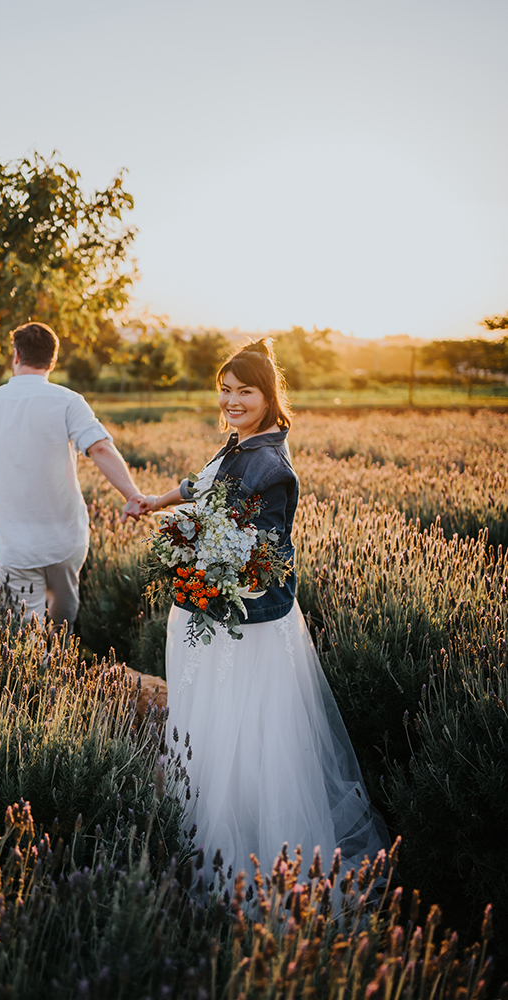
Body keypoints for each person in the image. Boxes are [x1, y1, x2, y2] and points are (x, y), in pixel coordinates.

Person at [139, 339, 388, 884]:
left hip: (241, 623)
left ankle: (242, 846)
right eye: (225, 390)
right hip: (213, 605)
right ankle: (205, 825)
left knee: (239, 725)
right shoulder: (242, 443)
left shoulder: (269, 464)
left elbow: (263, 551)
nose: (231, 400)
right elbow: (203, 484)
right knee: (211, 718)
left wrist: (198, 552)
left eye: (244, 391)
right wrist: (163, 504)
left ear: (268, 395)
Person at [0, 322, 144, 628]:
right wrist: (132, 494)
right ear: (53, 361)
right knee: (63, 615)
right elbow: (99, 448)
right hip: (65, 539)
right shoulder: (68, 401)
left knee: (26, 630)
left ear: (15, 356)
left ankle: (40, 671)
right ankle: (61, 658)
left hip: (12, 544)